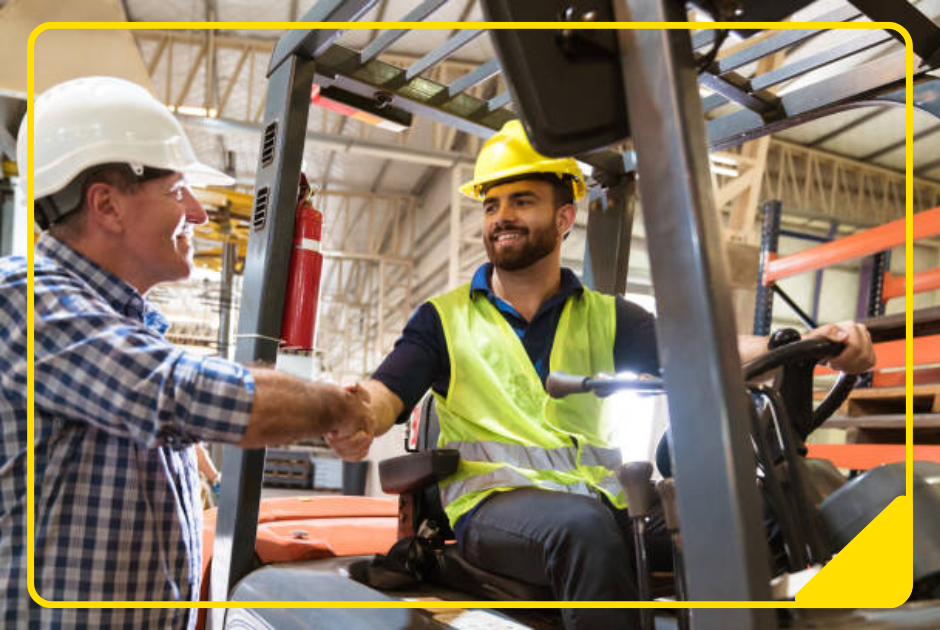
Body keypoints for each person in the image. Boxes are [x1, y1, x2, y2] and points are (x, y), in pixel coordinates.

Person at [327, 120, 875, 628]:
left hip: (607, 503)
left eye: (522, 201)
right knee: (582, 533)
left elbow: (703, 352)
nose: (501, 217)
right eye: (492, 205)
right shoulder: (443, 318)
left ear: (564, 217)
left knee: (776, 503)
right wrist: (359, 414)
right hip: (495, 514)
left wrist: (808, 343)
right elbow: (386, 392)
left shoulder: (608, 316)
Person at [0, 76, 375, 628]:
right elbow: (182, 394)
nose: (199, 213)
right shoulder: (23, 298)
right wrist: (334, 407)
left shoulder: (131, 328)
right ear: (106, 205)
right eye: (178, 190)